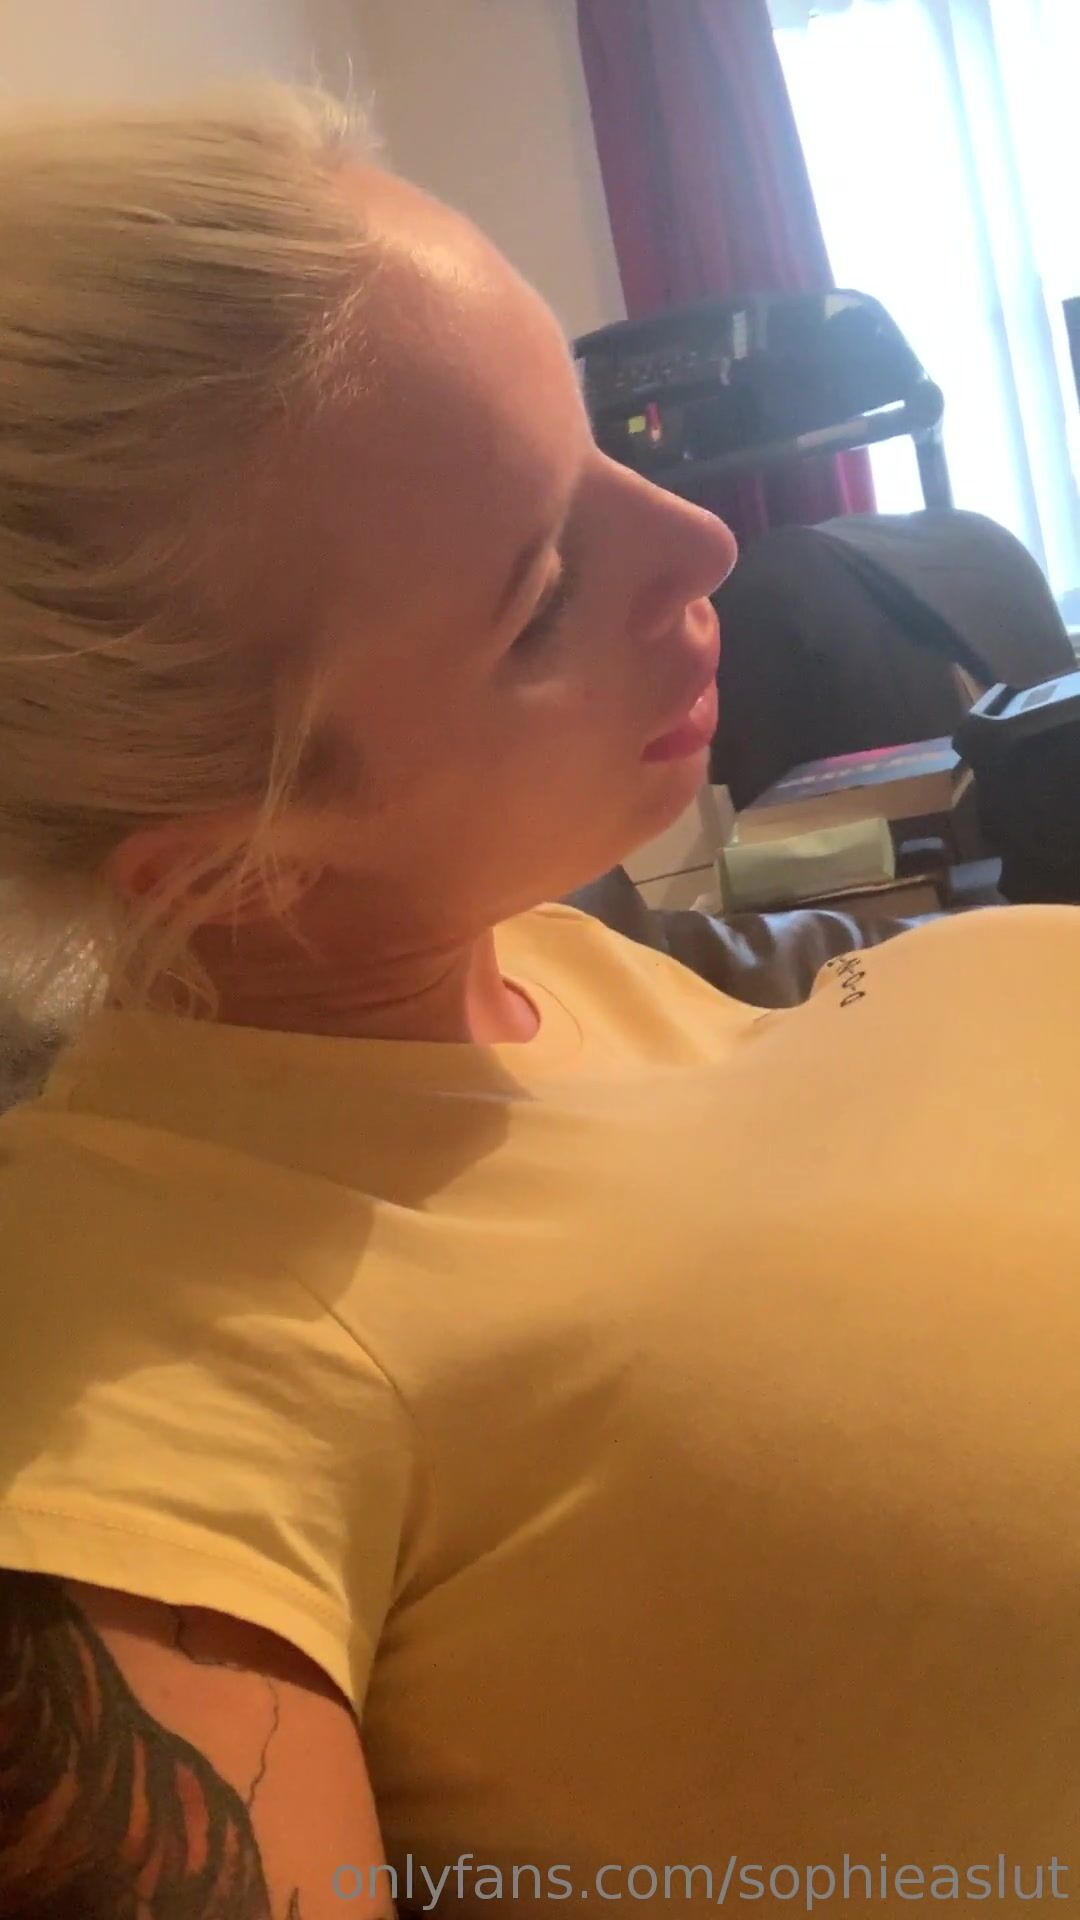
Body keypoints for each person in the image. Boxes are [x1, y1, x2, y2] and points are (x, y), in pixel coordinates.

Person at [1, 85, 1080, 1920]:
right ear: (235, 865)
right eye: (544, 594)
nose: (705, 542)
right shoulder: (143, 1333)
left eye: (593, 441)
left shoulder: (542, 962)